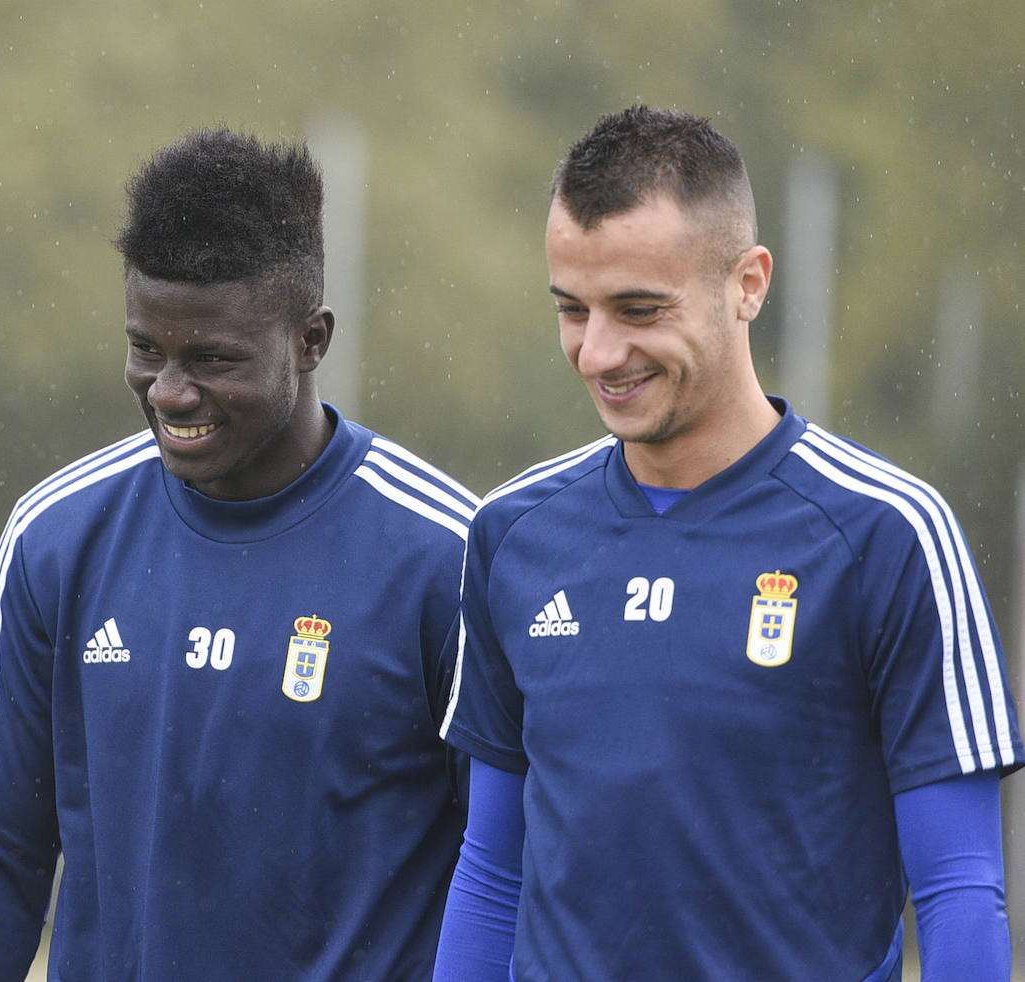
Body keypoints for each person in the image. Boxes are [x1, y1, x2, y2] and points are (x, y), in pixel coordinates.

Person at [434, 105, 1022, 981]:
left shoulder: (888, 533)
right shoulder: (513, 533)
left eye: (638, 309)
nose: (598, 352)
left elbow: (959, 887)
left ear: (748, 283)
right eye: (572, 309)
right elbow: (491, 871)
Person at [0, 126, 478, 981]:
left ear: (311, 340)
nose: (172, 393)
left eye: (214, 359)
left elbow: (509, 865)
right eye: (147, 349)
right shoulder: (58, 537)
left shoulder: (448, 556)